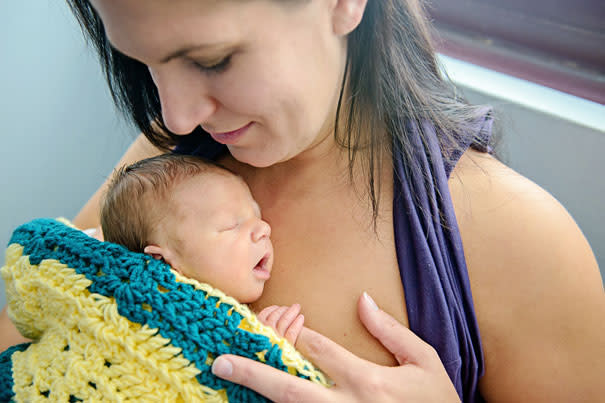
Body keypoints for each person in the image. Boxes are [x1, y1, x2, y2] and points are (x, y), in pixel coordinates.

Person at [1, 0, 603, 401]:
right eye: (142, 61)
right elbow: (29, 347)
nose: (176, 114)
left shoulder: (517, 238)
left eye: (213, 60)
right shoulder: (171, 168)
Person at [100, 153, 305, 345]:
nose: (264, 228)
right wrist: (258, 343)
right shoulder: (166, 324)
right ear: (162, 262)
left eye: (257, 215)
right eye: (231, 225)